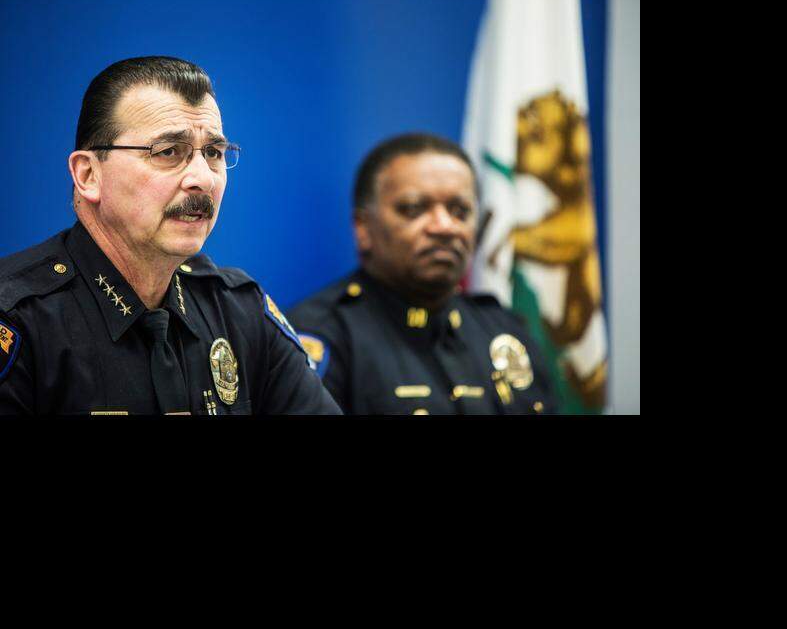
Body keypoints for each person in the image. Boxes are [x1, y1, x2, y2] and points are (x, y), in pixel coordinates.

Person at [0, 56, 341, 416]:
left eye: (213, 153)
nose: (204, 179)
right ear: (88, 175)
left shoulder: (240, 311)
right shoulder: (19, 319)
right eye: (167, 152)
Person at [288, 133, 557, 415]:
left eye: (459, 211)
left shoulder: (504, 328)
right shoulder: (323, 335)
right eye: (414, 209)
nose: (444, 226)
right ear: (363, 228)